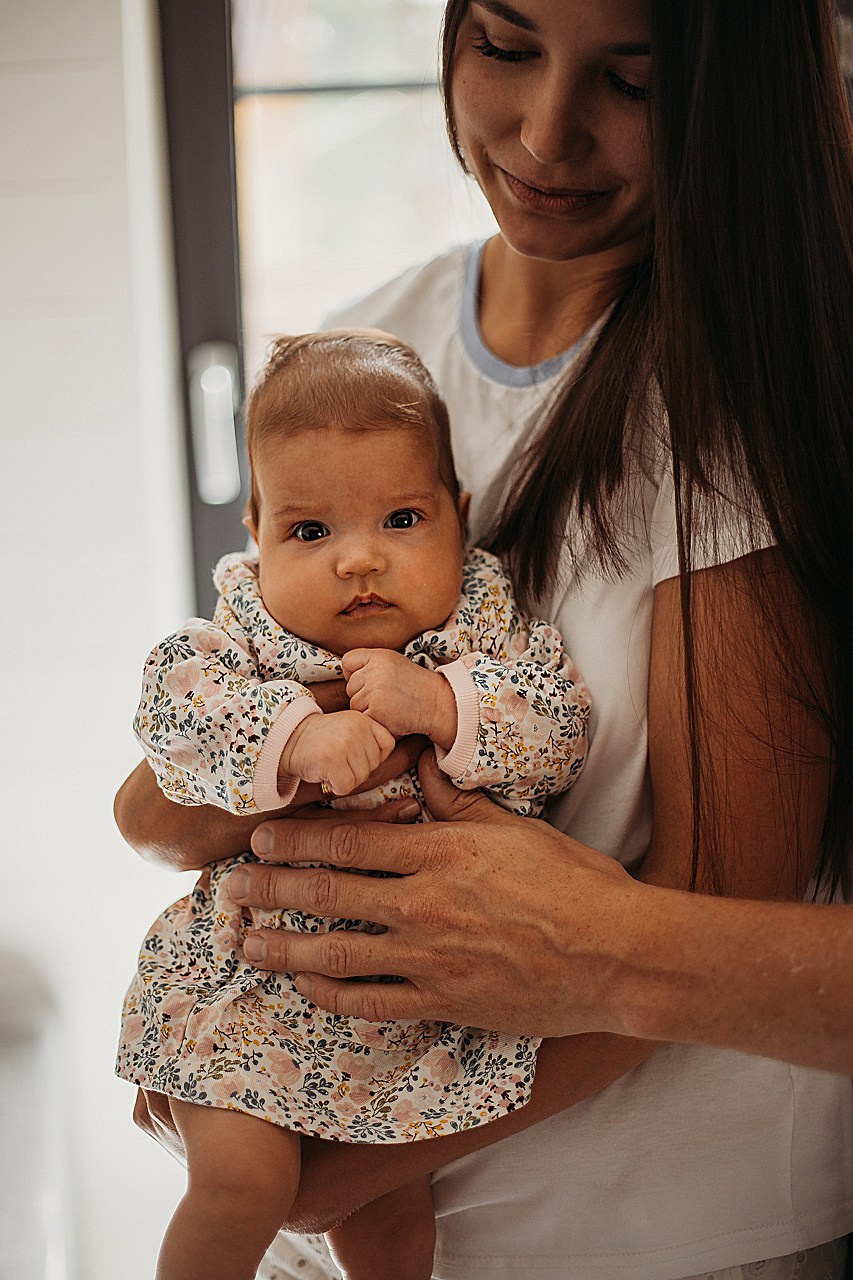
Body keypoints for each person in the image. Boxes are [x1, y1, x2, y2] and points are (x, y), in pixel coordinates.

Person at [115, 1, 853, 1276]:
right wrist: (256, 792)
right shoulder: (366, 358)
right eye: (505, 48)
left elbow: (702, 932)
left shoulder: (742, 400)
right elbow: (176, 782)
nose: (544, 132)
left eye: (629, 80)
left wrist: (312, 1170)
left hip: (631, 1241)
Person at [116, 329, 589, 1280]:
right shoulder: (248, 639)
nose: (358, 562)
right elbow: (173, 716)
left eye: (403, 521)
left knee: (391, 1227)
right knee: (241, 1189)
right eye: (311, 532)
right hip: (251, 988)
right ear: (255, 533)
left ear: (458, 516)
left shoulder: (484, 631)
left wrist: (444, 705)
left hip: (409, 1009)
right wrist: (294, 738)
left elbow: (558, 729)